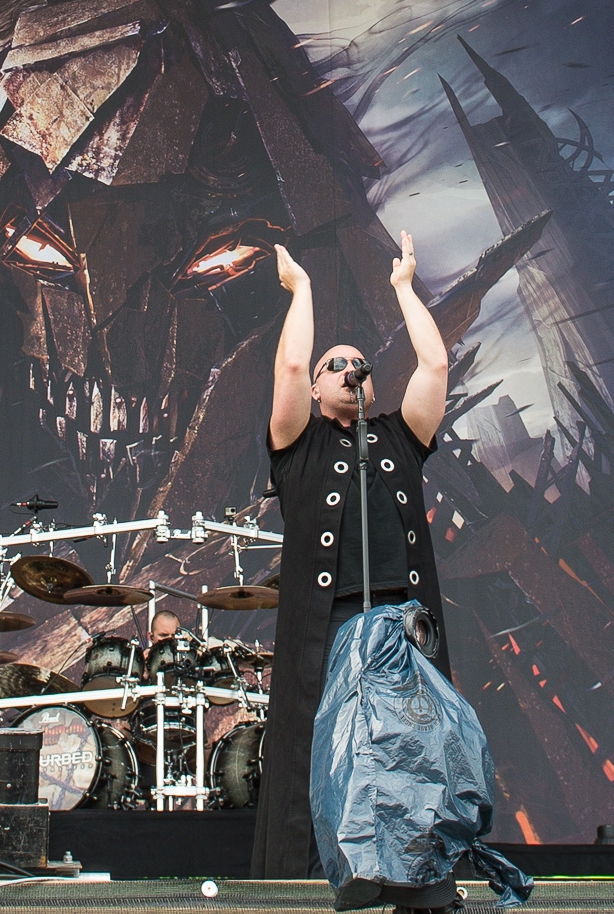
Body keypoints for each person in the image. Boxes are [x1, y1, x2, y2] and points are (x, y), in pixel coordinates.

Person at [249, 233, 453, 909]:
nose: (347, 370)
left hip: (401, 624)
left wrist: (403, 288)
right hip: (330, 626)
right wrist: (302, 289)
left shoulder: (399, 436)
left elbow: (434, 362)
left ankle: (418, 881)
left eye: (358, 364)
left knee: (410, 749)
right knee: (330, 751)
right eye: (333, 365)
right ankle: (328, 879)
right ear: (315, 387)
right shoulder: (298, 445)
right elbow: (288, 365)